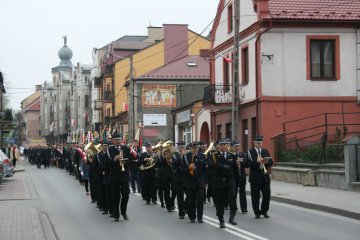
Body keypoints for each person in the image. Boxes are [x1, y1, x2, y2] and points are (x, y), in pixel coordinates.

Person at [208, 139, 239, 229]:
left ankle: (232, 217)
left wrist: (238, 182)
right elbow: (210, 165)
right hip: (219, 181)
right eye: (222, 145)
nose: (224, 146)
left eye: (225, 144)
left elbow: (235, 170)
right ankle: (221, 220)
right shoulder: (214, 155)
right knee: (220, 202)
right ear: (218, 146)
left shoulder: (232, 155)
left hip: (230, 181)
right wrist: (221, 166)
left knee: (232, 198)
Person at [105, 133, 131, 222]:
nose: (118, 141)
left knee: (126, 194)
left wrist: (125, 163)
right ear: (113, 140)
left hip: (124, 176)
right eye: (116, 140)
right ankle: (116, 214)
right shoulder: (109, 150)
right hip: (114, 176)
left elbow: (131, 161)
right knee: (115, 196)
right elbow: (107, 163)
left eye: (119, 139)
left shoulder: (126, 149)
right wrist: (115, 159)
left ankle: (124, 212)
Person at [245, 136, 273, 219]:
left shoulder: (265, 151)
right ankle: (257, 212)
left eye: (260, 143)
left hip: (265, 177)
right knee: (255, 196)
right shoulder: (250, 152)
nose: (259, 144)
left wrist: (267, 162)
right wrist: (256, 162)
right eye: (258, 143)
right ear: (254, 143)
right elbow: (247, 164)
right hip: (255, 178)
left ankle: (264, 211)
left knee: (267, 194)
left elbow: (271, 162)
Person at [181, 141, 207, 223]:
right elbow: (182, 169)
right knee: (190, 200)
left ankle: (200, 217)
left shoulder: (202, 156)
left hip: (200, 182)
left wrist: (206, 181)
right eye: (194, 148)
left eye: (196, 148)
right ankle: (192, 216)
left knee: (200, 199)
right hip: (190, 182)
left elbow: (204, 170)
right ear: (191, 148)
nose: (195, 149)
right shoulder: (186, 156)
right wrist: (189, 168)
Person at [172, 141, 187, 219]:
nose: (182, 148)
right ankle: (181, 213)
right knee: (180, 196)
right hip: (178, 178)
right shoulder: (175, 155)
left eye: (183, 147)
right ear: (178, 148)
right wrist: (180, 157)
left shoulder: (187, 155)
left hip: (186, 178)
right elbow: (173, 164)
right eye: (181, 147)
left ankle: (186, 206)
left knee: (190, 194)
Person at [231, 140, 248, 213]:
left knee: (242, 193)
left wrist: (242, 161)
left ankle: (244, 208)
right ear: (232, 147)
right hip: (233, 177)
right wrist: (235, 163)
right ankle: (234, 207)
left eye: (238, 146)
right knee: (233, 193)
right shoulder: (231, 155)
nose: (237, 148)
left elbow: (247, 164)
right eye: (235, 146)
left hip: (241, 176)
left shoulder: (242, 155)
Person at [160, 139, 176, 212]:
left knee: (174, 189)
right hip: (165, 174)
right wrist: (166, 158)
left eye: (172, 144)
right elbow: (161, 163)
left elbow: (177, 162)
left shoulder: (175, 153)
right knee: (166, 191)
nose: (171, 146)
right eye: (170, 145)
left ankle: (172, 202)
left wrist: (172, 161)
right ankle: (168, 206)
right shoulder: (164, 153)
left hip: (173, 173)